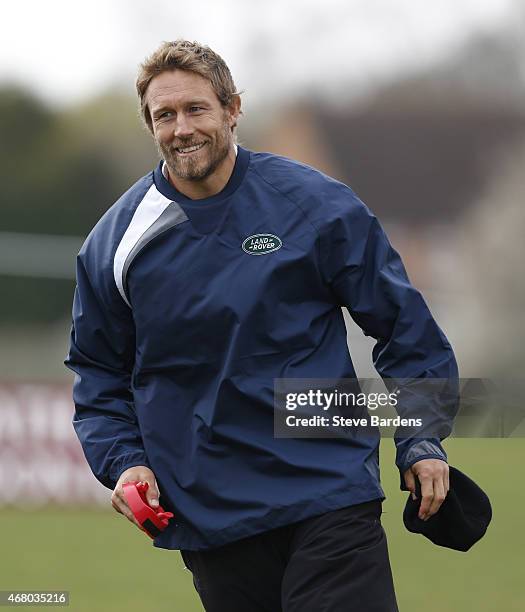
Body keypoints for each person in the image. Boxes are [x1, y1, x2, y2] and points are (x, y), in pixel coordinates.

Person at [65, 39, 458, 612]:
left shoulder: (317, 206)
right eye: (164, 115)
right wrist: (126, 464)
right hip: (210, 507)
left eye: (196, 109)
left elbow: (405, 330)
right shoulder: (113, 245)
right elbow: (98, 376)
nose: (181, 128)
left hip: (327, 486)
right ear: (149, 125)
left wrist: (420, 438)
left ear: (232, 109)